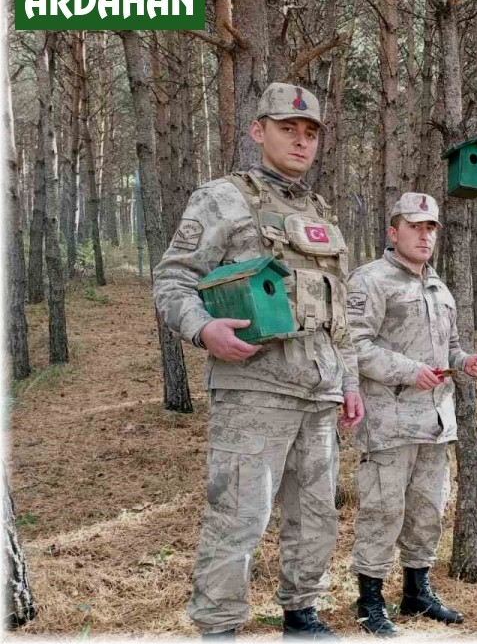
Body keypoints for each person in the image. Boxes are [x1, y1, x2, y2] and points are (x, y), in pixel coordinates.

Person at [154, 82, 362, 640]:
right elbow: (174, 279)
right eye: (287, 129)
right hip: (254, 390)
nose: (300, 141)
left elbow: (337, 310)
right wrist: (203, 330)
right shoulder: (222, 198)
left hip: (319, 392)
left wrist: (350, 382)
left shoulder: (320, 212)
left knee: (315, 518)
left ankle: (302, 613)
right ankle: (219, 628)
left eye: (310, 133)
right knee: (240, 518)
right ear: (257, 132)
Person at [346, 193, 477, 636]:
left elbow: (448, 347)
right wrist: (411, 372)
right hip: (389, 423)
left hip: (434, 422)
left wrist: (465, 361)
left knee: (428, 510)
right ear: (394, 232)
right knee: (383, 511)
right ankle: (369, 599)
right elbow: (355, 345)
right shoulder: (370, 281)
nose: (425, 235)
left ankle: (416, 591)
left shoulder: (437, 286)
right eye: (416, 227)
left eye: (431, 228)